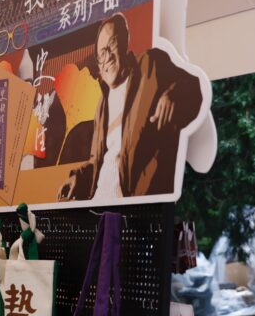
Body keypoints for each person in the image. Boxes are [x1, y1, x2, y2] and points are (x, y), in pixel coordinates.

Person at [59, 13, 201, 200]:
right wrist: (78, 177)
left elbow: (193, 85)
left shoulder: (150, 65)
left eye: (112, 45)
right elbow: (97, 161)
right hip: (101, 201)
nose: (107, 56)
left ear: (125, 43)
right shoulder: (101, 105)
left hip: (136, 204)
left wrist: (172, 95)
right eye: (101, 53)